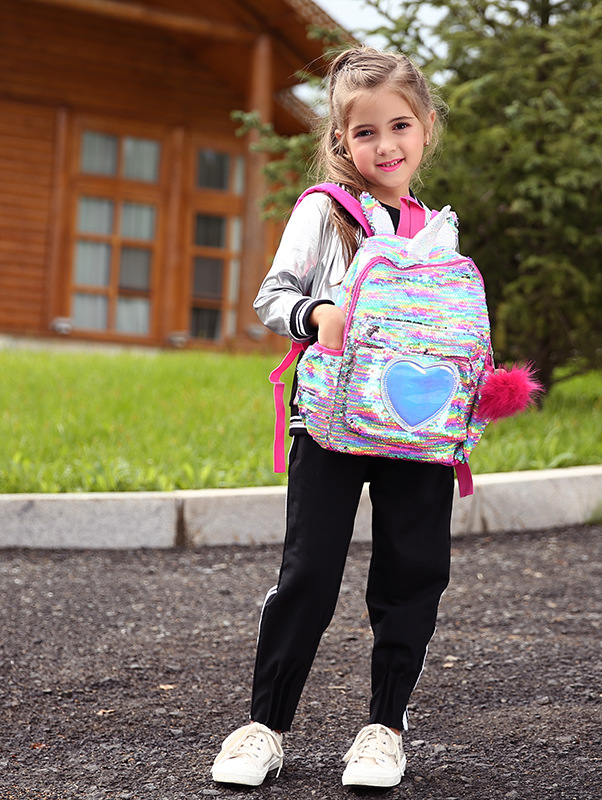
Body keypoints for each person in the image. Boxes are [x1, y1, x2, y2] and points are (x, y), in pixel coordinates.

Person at [210, 46, 454, 790]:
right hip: (331, 417)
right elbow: (270, 297)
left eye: (400, 127)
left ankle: (384, 728)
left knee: (414, 570)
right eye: (365, 134)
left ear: (425, 130)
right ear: (341, 142)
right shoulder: (325, 211)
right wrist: (317, 312)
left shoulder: (436, 230)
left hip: (418, 423)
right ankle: (265, 726)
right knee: (310, 570)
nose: (385, 146)